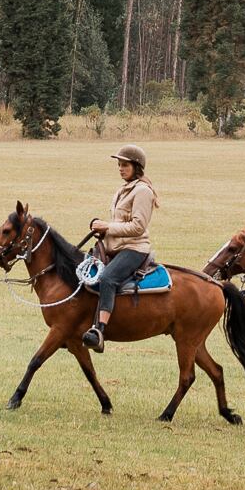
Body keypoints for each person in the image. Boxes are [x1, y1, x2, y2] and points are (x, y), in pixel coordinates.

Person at [80, 144, 157, 352]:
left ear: (136, 166)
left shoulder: (143, 191)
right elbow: (120, 221)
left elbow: (137, 226)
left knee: (107, 278)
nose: (120, 169)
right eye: (119, 165)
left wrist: (107, 227)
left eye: (125, 165)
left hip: (134, 248)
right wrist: (104, 229)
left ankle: (99, 330)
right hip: (115, 245)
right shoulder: (123, 189)